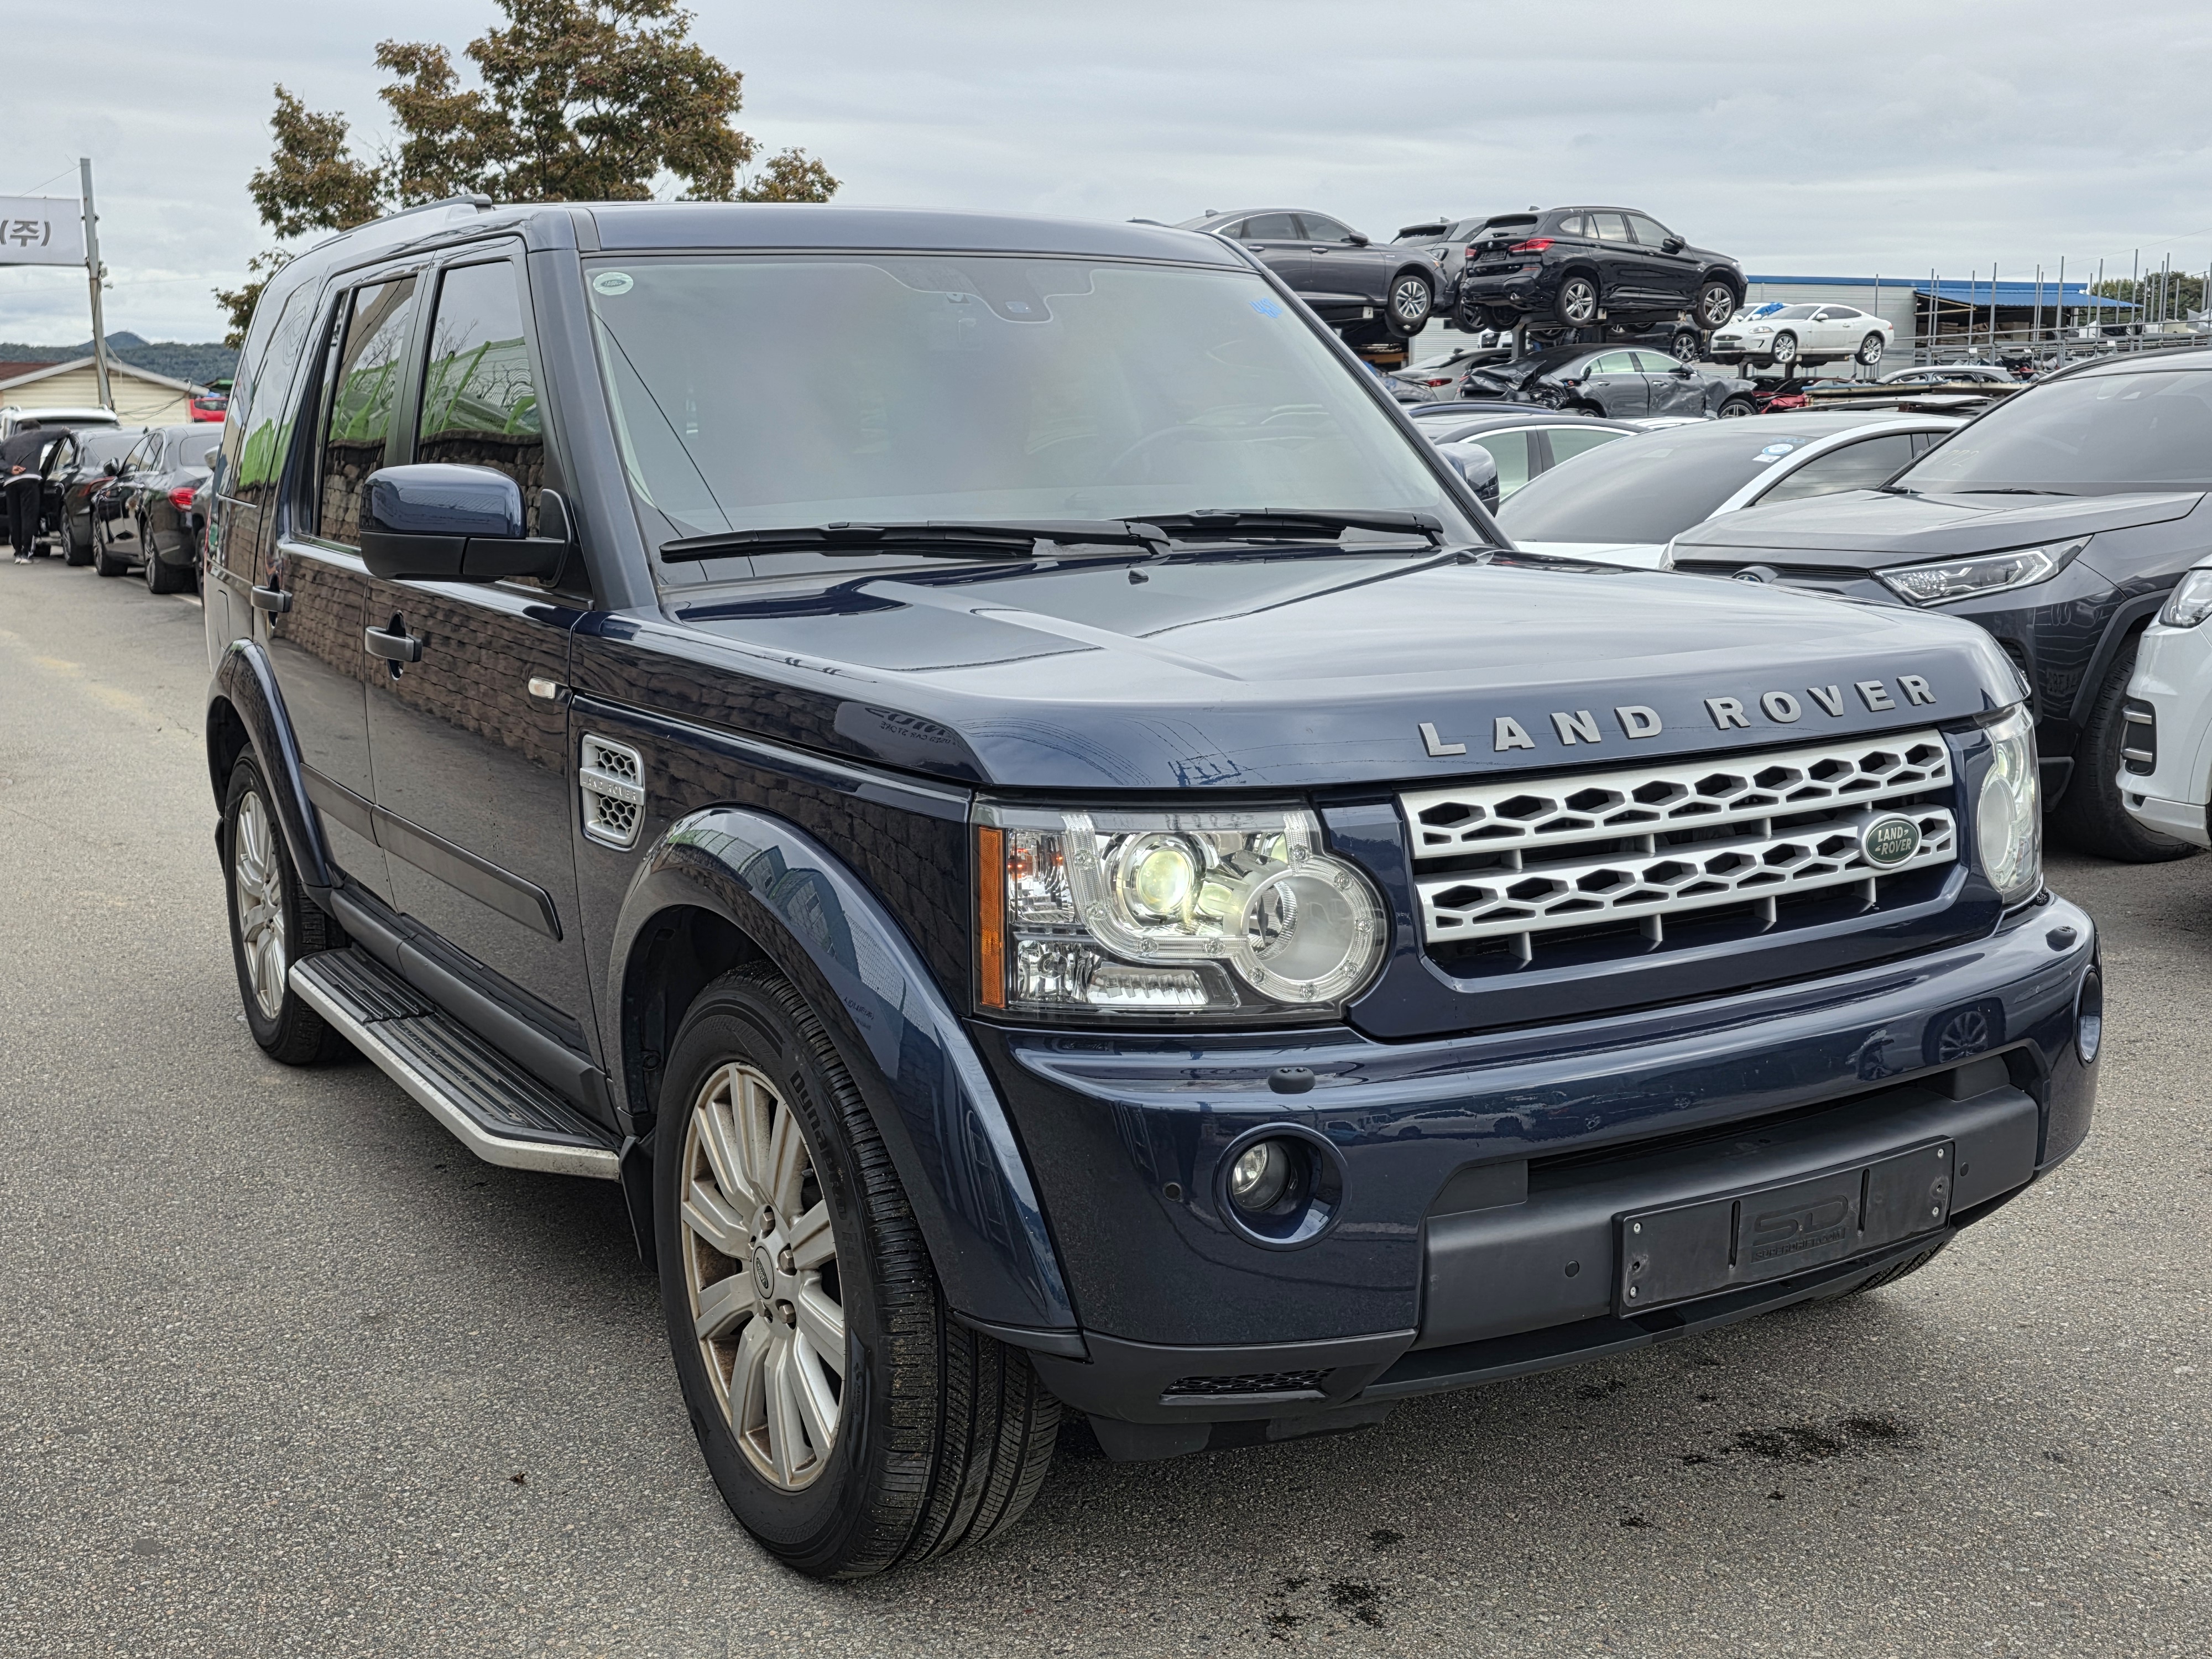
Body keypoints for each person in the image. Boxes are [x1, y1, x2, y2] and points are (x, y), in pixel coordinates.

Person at [2, 426, 58, 562]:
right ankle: (26, 553)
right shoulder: (38, 435)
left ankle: (18, 553)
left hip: (10, 482)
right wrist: (67, 430)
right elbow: (59, 432)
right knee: (29, 516)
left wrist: (10, 468)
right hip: (29, 480)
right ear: (36, 429)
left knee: (15, 517)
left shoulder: (7, 442)